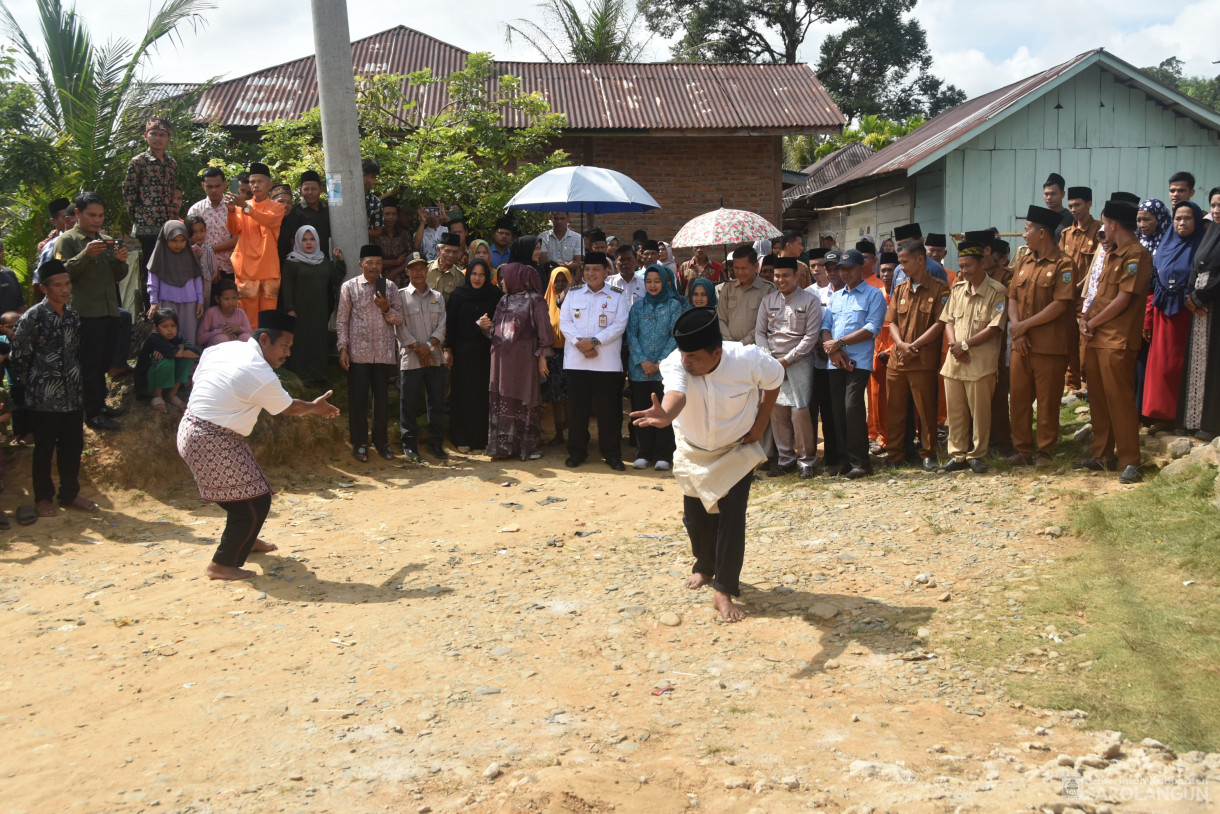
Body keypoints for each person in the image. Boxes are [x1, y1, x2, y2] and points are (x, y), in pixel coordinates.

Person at [630, 307, 784, 622]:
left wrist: (759, 424)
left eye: (694, 357)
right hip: (693, 450)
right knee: (695, 519)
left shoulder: (747, 359)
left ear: (717, 352)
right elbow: (676, 395)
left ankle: (724, 590)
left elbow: (775, 379)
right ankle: (704, 565)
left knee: (731, 518)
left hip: (735, 450)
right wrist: (665, 414)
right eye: (684, 355)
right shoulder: (676, 362)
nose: (687, 362)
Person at [178, 310, 339, 579]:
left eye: (290, 346)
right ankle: (221, 565)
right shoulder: (257, 370)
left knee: (251, 493)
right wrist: (314, 407)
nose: (288, 352)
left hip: (196, 427)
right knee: (254, 502)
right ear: (265, 340)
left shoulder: (226, 347)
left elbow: (201, 372)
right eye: (284, 346)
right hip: (210, 438)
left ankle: (246, 540)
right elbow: (288, 408)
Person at [10, 259, 97, 523]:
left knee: (72, 447)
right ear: (44, 288)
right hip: (43, 398)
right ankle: (44, 498)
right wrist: (27, 393)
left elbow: (78, 353)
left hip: (73, 396)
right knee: (44, 449)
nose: (65, 289)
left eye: (67, 284)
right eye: (58, 285)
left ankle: (69, 494)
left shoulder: (72, 316)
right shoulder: (32, 317)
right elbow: (19, 358)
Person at [1076, 197, 1153, 483]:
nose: (1103, 228)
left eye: (1105, 223)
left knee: (1120, 400)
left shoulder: (1137, 255)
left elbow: (1123, 299)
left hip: (1117, 339)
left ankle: (1131, 460)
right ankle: (1103, 455)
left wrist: (1091, 322)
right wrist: (1086, 321)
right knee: (1098, 398)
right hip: (1097, 337)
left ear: (1115, 224)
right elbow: (1100, 295)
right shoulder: (1113, 254)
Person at [1005, 206, 1078, 467]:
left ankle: (1045, 452)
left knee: (1047, 403)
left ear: (1043, 232)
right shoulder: (1024, 261)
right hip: (1021, 345)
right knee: (1019, 400)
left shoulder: (1064, 263)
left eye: (1027, 230)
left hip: (1049, 347)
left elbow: (1060, 304)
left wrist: (1024, 327)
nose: (1024, 235)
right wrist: (1018, 329)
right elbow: (1012, 296)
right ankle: (1022, 449)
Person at [53, 191, 129, 432]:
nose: (97, 220)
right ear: (77, 214)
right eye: (92, 215)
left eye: (101, 215)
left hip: (108, 311)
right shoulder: (67, 241)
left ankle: (101, 405)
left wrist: (119, 261)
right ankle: (92, 413)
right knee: (90, 365)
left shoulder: (106, 239)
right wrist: (85, 256)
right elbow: (60, 274)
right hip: (85, 313)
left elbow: (118, 276)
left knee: (104, 362)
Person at [939, 240, 1008, 474]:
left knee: (980, 413)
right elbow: (947, 320)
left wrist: (965, 345)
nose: (964, 270)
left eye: (968, 265)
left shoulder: (997, 291)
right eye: (961, 266)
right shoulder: (958, 289)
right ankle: (957, 455)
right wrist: (954, 346)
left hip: (980, 362)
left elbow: (994, 327)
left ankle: (978, 454)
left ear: (981, 263)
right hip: (955, 361)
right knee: (955, 412)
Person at [820, 249, 887, 478]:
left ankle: (861, 462)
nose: (845, 273)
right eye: (842, 269)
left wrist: (839, 343)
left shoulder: (873, 294)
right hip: (835, 362)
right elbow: (825, 326)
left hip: (858, 362)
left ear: (861, 269)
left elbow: (871, 328)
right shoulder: (837, 296)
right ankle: (843, 461)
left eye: (849, 269)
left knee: (852, 409)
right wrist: (832, 351)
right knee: (837, 411)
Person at [561, 249, 629, 470]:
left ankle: (611, 454)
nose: (590, 274)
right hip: (577, 361)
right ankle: (576, 452)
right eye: (587, 269)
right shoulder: (573, 293)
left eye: (596, 270)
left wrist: (595, 342)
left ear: (606, 271)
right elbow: (565, 323)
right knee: (577, 410)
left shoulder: (618, 295)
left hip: (606, 363)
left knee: (609, 411)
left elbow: (619, 325)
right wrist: (582, 344)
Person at [487, 239, 553, 461]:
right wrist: (485, 327)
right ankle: (504, 447)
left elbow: (544, 332)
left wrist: (542, 358)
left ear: (518, 277)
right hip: (502, 362)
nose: (502, 282)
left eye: (505, 278)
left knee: (526, 397)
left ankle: (527, 446)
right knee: (503, 398)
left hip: (525, 360)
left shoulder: (535, 300)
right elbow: (496, 330)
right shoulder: (503, 300)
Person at [756, 257, 822, 478]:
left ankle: (806, 461)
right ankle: (786, 459)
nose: (780, 280)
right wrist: (770, 360)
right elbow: (760, 333)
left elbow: (811, 337)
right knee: (776, 409)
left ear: (796, 276)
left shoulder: (810, 301)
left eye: (785, 275)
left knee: (799, 410)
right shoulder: (768, 301)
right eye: (777, 275)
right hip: (772, 360)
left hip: (800, 361)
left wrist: (786, 361)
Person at [885, 240, 948, 471]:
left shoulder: (940, 289)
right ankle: (895, 454)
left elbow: (940, 323)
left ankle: (928, 452)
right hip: (898, 359)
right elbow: (891, 321)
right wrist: (901, 344)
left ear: (920, 260)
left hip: (922, 360)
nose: (901, 267)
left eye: (904, 262)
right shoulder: (900, 288)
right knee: (895, 409)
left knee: (926, 409)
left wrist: (915, 346)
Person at [337, 245, 403, 463]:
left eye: (378, 263)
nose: (375, 267)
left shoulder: (391, 288)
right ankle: (359, 443)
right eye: (370, 263)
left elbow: (398, 319)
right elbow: (342, 319)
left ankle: (381, 442)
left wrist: (385, 308)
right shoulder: (349, 287)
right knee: (358, 400)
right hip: (358, 353)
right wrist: (343, 348)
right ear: (360, 264)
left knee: (382, 400)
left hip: (383, 353)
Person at [1143, 201, 1205, 428]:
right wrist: (1148, 319)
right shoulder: (1165, 247)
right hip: (1163, 316)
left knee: (1184, 367)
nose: (1181, 223)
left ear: (1197, 221)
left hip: (1191, 315)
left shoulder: (1202, 247)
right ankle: (1163, 416)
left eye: (1187, 218)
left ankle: (1184, 418)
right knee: (1163, 367)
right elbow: (1152, 285)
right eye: (1178, 218)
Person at [627, 265, 687, 471]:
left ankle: (664, 454)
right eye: (649, 281)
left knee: (664, 410)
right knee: (642, 410)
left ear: (664, 282)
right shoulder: (637, 307)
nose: (653, 285)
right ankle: (643, 453)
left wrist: (661, 361)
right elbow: (631, 336)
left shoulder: (673, 306)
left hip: (665, 369)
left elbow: (675, 334)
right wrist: (643, 361)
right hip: (639, 370)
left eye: (657, 281)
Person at [446, 257, 503, 453]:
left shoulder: (494, 294)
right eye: (474, 274)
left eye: (481, 274)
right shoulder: (458, 295)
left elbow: (503, 324)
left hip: (487, 354)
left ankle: (483, 439)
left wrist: (490, 327)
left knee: (483, 395)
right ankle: (462, 438)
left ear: (487, 276)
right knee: (463, 395)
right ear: (468, 274)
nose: (477, 278)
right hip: (463, 354)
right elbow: (451, 324)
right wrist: (448, 349)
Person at [122, 117, 179, 306]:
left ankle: (166, 307)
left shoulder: (171, 163)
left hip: (167, 226)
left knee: (167, 268)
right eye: (153, 134)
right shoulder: (138, 162)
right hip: (146, 226)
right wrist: (139, 217)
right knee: (149, 269)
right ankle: (149, 310)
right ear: (146, 136)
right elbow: (129, 193)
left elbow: (172, 192)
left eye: (162, 135)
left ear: (169, 138)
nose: (157, 138)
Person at [280, 226, 345, 386]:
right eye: (304, 239)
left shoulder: (323, 261)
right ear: (297, 241)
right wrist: (289, 309)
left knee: (318, 341)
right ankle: (300, 377)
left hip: (320, 309)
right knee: (300, 341)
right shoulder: (292, 262)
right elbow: (286, 287)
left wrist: (340, 261)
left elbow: (335, 278)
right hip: (299, 310)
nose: (308, 243)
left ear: (317, 240)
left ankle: (319, 376)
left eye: (312, 239)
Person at [226, 162, 285, 325]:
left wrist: (244, 207)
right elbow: (234, 229)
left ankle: (265, 350)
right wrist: (231, 211)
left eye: (260, 181)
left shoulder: (278, 207)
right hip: (246, 269)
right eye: (252, 182)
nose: (255, 185)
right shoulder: (241, 206)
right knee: (248, 319)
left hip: (268, 268)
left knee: (268, 320)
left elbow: (268, 219)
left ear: (270, 184)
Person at [1183, 187, 1220, 439]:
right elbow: (1197, 266)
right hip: (1200, 309)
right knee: (1201, 364)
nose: (1217, 210)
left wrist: (1199, 296)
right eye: (1214, 205)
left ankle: (1213, 423)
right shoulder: (1211, 233)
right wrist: (1190, 295)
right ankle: (1196, 418)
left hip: (1214, 305)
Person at [1059, 187, 1101, 393]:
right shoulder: (1067, 234)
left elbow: (1097, 266)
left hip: (1086, 298)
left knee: (1085, 342)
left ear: (1089, 204)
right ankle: (1071, 384)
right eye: (1070, 206)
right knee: (1068, 340)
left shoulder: (1099, 231)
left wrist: (1079, 286)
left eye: (1078, 205)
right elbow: (1059, 264)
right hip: (1066, 297)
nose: (1074, 209)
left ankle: (1085, 384)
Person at [145, 220, 205, 345]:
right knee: (167, 336)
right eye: (174, 240)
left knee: (188, 336)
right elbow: (153, 280)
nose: (178, 244)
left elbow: (197, 279)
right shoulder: (159, 257)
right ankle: (169, 363)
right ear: (165, 239)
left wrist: (200, 301)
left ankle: (188, 363)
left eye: (182, 240)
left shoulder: (190, 256)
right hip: (166, 301)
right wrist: (153, 301)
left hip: (189, 301)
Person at [135, 307, 199, 412]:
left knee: (186, 359)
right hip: (148, 382)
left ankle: (171, 395)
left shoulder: (177, 337)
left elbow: (196, 353)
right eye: (165, 326)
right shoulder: (154, 338)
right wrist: (180, 349)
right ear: (156, 328)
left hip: (167, 381)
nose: (170, 329)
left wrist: (180, 352)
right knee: (168, 360)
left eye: (173, 326)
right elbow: (177, 353)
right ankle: (157, 395)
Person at [717, 244, 775, 346]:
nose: (739, 272)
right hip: (729, 347)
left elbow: (766, 322)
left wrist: (742, 344)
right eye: (736, 268)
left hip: (755, 348)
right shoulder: (727, 288)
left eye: (744, 268)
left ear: (756, 266)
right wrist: (731, 344)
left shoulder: (768, 289)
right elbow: (720, 319)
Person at [188, 167, 238, 283]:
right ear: (203, 185)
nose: (214, 190)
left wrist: (210, 250)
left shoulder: (234, 208)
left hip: (229, 268)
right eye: (209, 186)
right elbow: (189, 238)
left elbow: (236, 239)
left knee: (228, 301)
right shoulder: (195, 210)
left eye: (217, 186)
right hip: (201, 268)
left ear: (225, 185)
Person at [540, 265, 572, 446]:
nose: (560, 284)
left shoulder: (574, 300)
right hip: (553, 355)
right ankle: (559, 433)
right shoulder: (545, 303)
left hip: (572, 354)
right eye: (557, 280)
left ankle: (573, 432)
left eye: (564, 280)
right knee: (555, 397)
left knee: (570, 396)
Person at [277, 170, 331, 268]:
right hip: (301, 265)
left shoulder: (327, 210)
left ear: (320, 189)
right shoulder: (293, 212)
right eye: (306, 189)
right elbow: (291, 241)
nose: (310, 192)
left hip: (324, 262)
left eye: (313, 189)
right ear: (301, 190)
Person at [197, 279, 251, 348]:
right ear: (217, 299)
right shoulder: (211, 313)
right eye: (226, 299)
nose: (231, 302)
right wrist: (220, 332)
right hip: (215, 350)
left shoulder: (240, 313)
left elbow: (250, 333)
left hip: (236, 349)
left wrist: (238, 328)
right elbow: (200, 339)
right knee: (222, 339)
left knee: (246, 338)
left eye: (234, 298)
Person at [376, 197, 410, 285]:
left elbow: (410, 259)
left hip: (403, 280)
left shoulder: (404, 234)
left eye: (393, 214)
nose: (390, 217)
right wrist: (396, 262)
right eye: (387, 214)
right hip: (381, 279)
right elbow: (374, 262)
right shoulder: (376, 235)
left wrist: (394, 272)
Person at [427, 232, 466, 303]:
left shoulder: (460, 278)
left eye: (455, 252)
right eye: (447, 251)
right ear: (439, 250)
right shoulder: (426, 269)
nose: (451, 255)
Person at [1042, 172, 1075, 239]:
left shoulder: (1071, 218)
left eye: (1053, 194)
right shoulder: (1040, 217)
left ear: (1063, 194)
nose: (1049, 197)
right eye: (1046, 194)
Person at [362, 159, 383, 242]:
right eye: (365, 175)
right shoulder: (345, 197)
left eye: (373, 177)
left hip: (365, 248)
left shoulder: (376, 202)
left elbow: (378, 232)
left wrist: (360, 230)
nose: (369, 180)